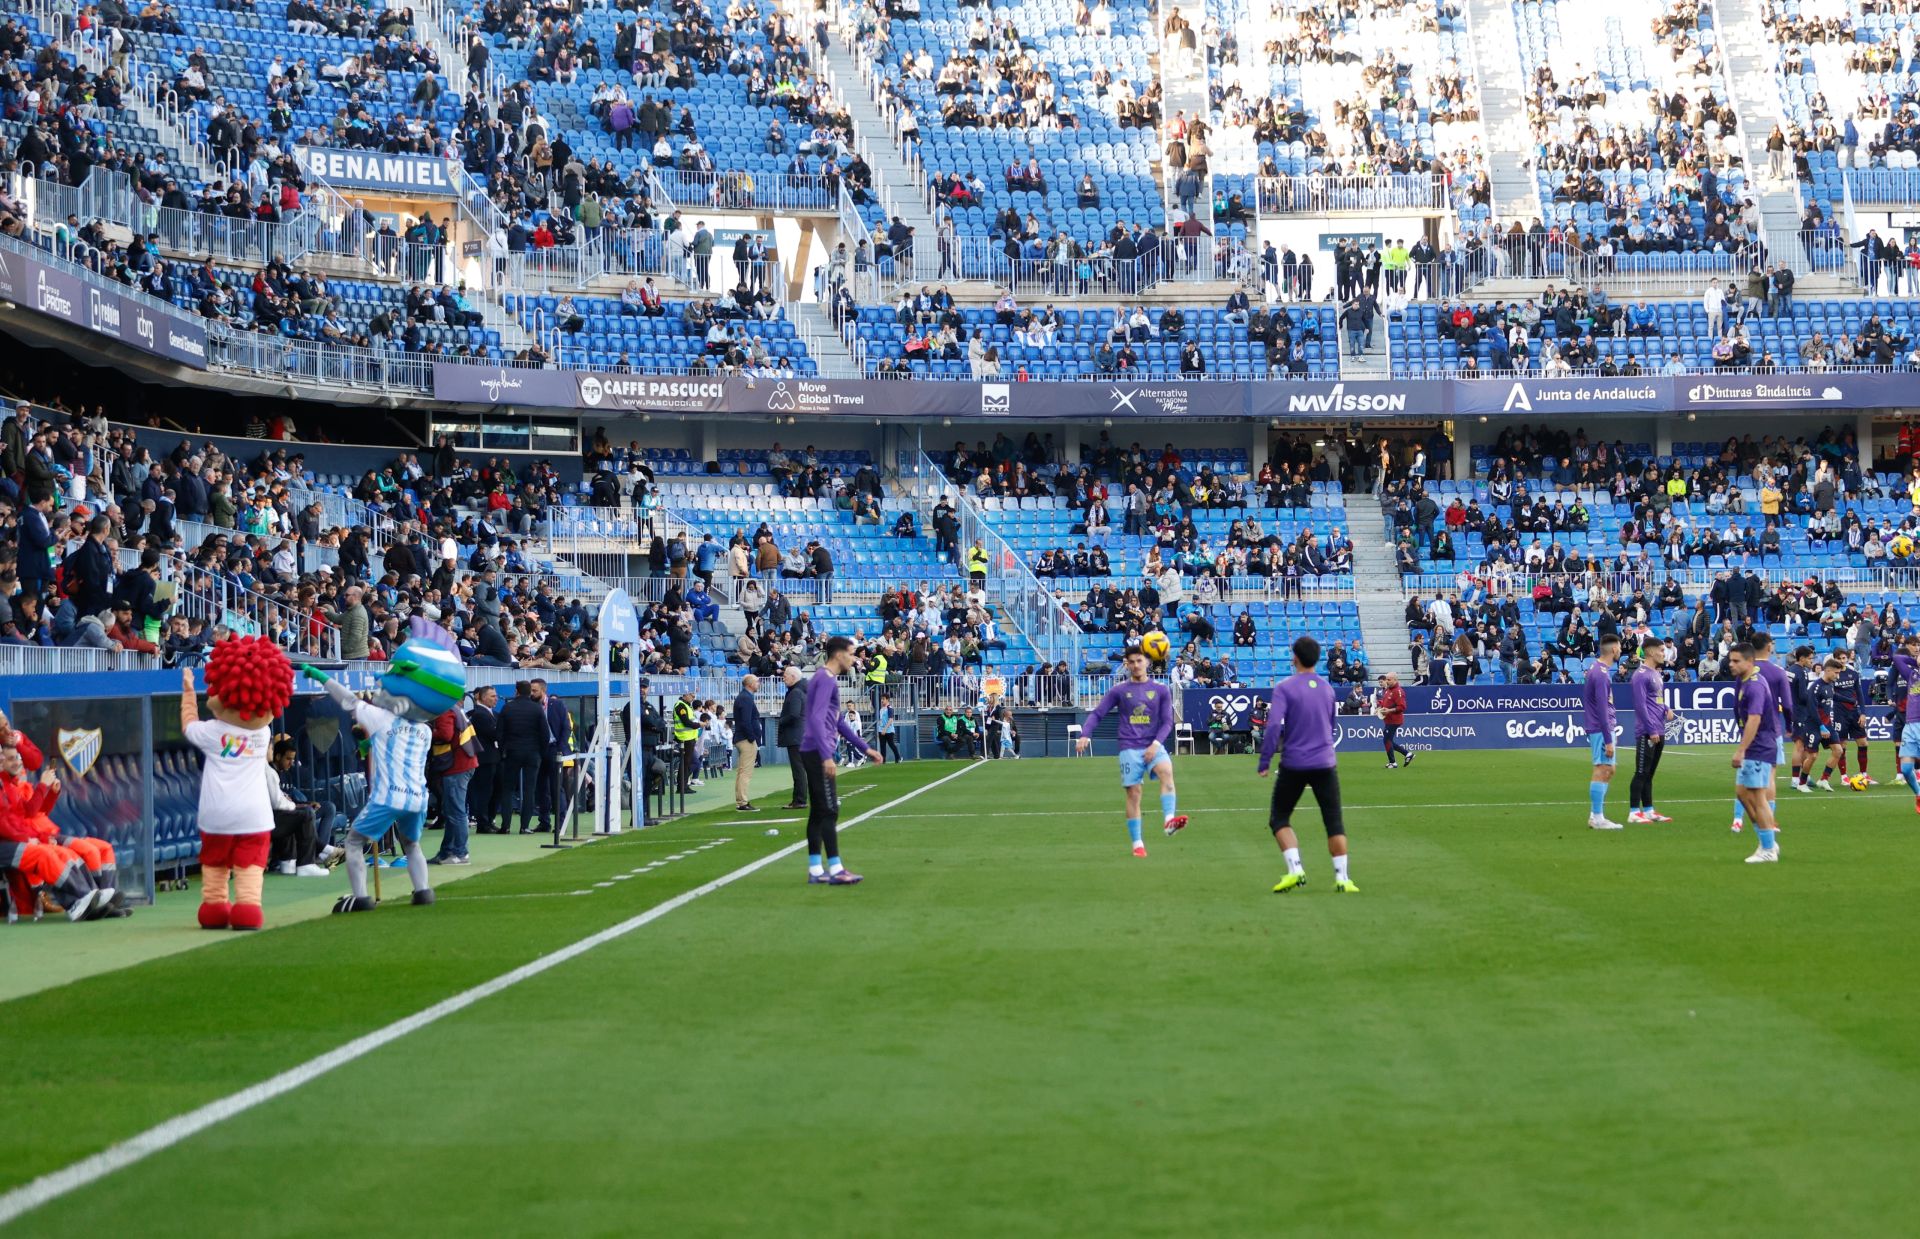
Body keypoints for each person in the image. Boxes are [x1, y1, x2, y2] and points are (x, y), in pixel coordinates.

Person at [1255, 636, 1355, 893]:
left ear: (1294, 658)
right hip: (1324, 761)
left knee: (1279, 817)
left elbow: (1274, 725)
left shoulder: (1285, 688)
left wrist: (1265, 760)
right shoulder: (1327, 688)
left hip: (1294, 763)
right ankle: (1343, 878)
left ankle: (1295, 869)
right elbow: (1332, 726)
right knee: (1334, 821)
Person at [1074, 644, 1187, 857]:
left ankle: (1169, 821)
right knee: (1134, 794)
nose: (1136, 665)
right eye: (1131, 662)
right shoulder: (1119, 690)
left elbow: (1167, 722)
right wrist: (1085, 734)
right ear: (1127, 664)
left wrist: (1156, 744)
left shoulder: (1161, 690)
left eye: (1139, 661)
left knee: (1166, 772)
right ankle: (1137, 844)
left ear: (1147, 662)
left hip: (1154, 744)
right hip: (1129, 747)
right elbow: (1098, 713)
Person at [800, 637, 885, 884]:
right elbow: (815, 719)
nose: (854, 658)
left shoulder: (825, 679)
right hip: (817, 752)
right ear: (838, 655)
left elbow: (836, 722)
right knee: (829, 810)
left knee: (818, 811)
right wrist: (827, 756)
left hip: (814, 750)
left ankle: (816, 869)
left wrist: (865, 748)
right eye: (851, 653)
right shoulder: (825, 679)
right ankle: (836, 869)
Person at [1728, 642, 1783, 863]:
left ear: (1750, 662)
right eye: (1730, 660)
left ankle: (1768, 848)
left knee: (1758, 797)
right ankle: (1766, 839)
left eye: (1736, 661)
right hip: (1755, 746)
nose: (1731, 664)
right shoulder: (1742, 680)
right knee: (1743, 793)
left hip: (1759, 747)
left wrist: (1741, 749)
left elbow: (1754, 718)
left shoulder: (1755, 685)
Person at [1733, 631, 1790, 833]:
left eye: (1734, 661)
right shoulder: (1777, 672)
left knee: (1752, 790)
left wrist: (1742, 737)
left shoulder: (1750, 678)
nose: (1731, 665)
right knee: (1760, 785)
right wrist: (1790, 727)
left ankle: (1746, 824)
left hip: (1756, 736)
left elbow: (1742, 710)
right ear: (1769, 646)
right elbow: (1788, 705)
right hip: (1770, 731)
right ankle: (1767, 826)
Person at [1627, 637, 1673, 823]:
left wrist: (1666, 708)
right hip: (1648, 730)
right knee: (1641, 771)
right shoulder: (1640, 675)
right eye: (1662, 650)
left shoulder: (1656, 674)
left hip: (1659, 728)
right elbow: (1640, 705)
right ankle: (1633, 812)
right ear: (1652, 652)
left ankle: (1648, 810)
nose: (1664, 654)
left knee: (1649, 773)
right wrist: (1651, 729)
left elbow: (1655, 700)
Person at [1582, 633, 1624, 830]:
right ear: (1614, 649)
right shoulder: (1600, 673)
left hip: (1601, 727)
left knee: (1609, 768)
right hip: (1601, 728)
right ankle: (1597, 817)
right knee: (1602, 769)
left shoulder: (1597, 669)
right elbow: (1601, 708)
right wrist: (1608, 739)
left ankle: (1595, 815)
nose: (1621, 650)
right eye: (1620, 647)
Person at [498, 680, 549, 833]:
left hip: (512, 752)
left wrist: (503, 751)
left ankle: (505, 826)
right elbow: (545, 734)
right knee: (529, 789)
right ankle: (524, 826)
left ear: (516, 691)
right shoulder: (537, 709)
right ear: (529, 692)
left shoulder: (507, 708)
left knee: (507, 789)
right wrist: (540, 751)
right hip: (532, 753)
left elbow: (499, 733)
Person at [1832, 648, 1873, 784]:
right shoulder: (1832, 675)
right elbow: (1832, 695)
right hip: (1839, 714)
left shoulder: (1853, 674)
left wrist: (1863, 713)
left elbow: (1860, 694)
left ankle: (1864, 774)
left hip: (1854, 713)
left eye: (1844, 658)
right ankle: (1844, 776)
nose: (1842, 661)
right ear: (1835, 659)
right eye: (1839, 658)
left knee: (1863, 742)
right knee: (1842, 745)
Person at [467, 685, 503, 833]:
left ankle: (488, 819)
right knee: (484, 791)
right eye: (492, 696)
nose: (496, 699)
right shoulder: (479, 714)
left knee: (494, 790)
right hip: (485, 759)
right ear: (482, 698)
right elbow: (493, 733)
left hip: (494, 757)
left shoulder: (493, 714)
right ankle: (483, 822)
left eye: (496, 696)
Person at [1892, 634, 1920, 812]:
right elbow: (1896, 657)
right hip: (1910, 726)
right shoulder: (1912, 674)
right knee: (1907, 769)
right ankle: (1918, 794)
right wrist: (1914, 660)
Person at [777, 664, 808, 809]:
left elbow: (794, 714)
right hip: (801, 735)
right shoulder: (801, 691)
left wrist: (781, 720)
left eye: (785, 676)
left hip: (796, 736)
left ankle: (799, 800)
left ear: (793, 677)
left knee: (798, 769)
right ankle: (799, 799)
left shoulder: (795, 693)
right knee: (800, 769)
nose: (783, 679)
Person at [732, 674, 763, 812]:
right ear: (750, 684)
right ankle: (742, 802)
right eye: (757, 681)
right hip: (745, 739)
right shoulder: (745, 698)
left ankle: (741, 801)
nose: (759, 684)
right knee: (745, 772)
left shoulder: (745, 697)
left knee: (742, 772)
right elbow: (745, 721)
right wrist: (752, 738)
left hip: (743, 738)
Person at [1376, 672, 1412, 769]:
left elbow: (1402, 707)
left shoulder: (1398, 691)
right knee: (1388, 740)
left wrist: (1389, 711)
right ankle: (1408, 754)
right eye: (1386, 679)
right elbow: (1385, 702)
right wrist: (1379, 707)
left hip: (1394, 720)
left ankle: (1393, 762)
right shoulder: (1388, 690)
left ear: (1395, 680)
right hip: (1388, 720)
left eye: (1389, 680)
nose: (1387, 681)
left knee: (1386, 740)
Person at [874, 693, 902, 763]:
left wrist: (885, 729)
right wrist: (879, 730)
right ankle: (883, 761)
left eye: (883, 699)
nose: (882, 700)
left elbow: (890, 720)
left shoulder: (890, 708)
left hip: (889, 730)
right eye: (881, 699)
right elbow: (880, 720)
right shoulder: (881, 709)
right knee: (882, 746)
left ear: (887, 700)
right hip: (881, 730)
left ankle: (898, 757)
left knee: (891, 744)